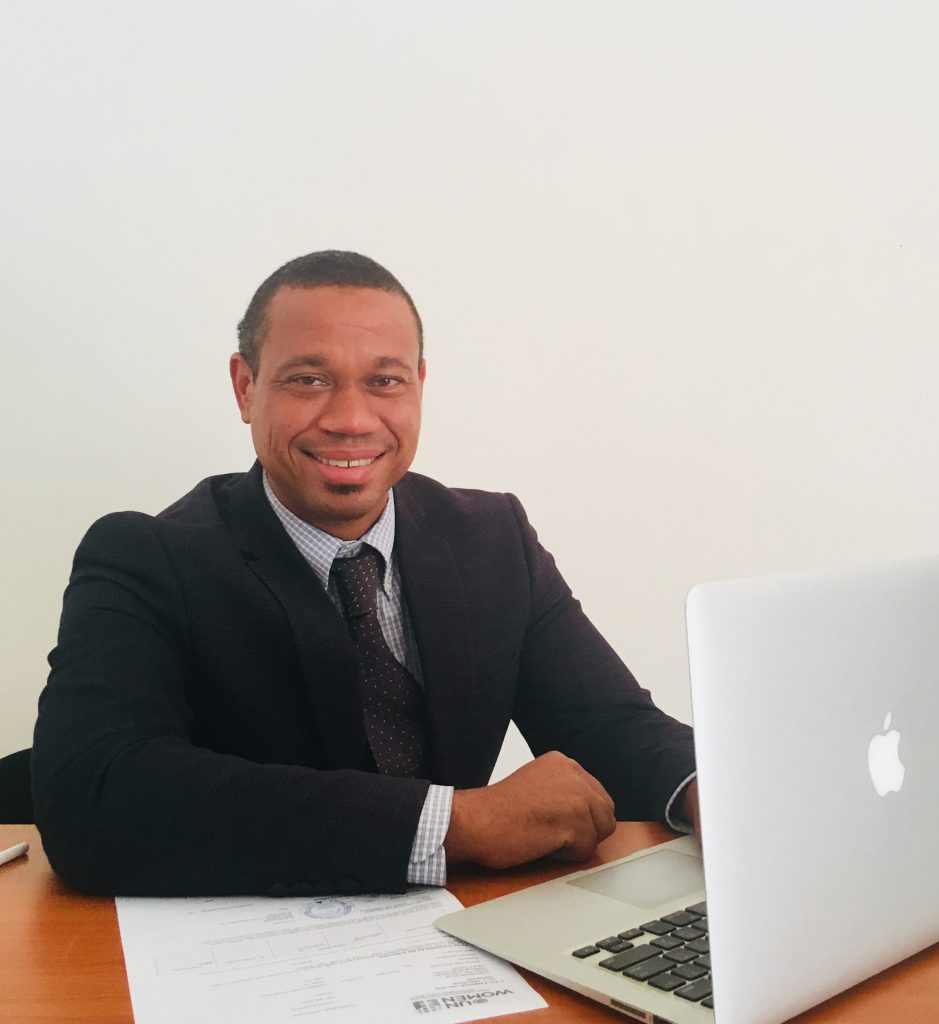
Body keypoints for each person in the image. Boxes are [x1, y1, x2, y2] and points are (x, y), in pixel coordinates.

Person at [32, 251, 698, 897]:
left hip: (459, 948)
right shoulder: (145, 556)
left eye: (384, 381)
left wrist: (720, 795)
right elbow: (91, 793)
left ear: (418, 385)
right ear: (245, 386)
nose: (351, 419)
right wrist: (456, 825)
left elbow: (611, 728)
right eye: (308, 380)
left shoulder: (493, 537)